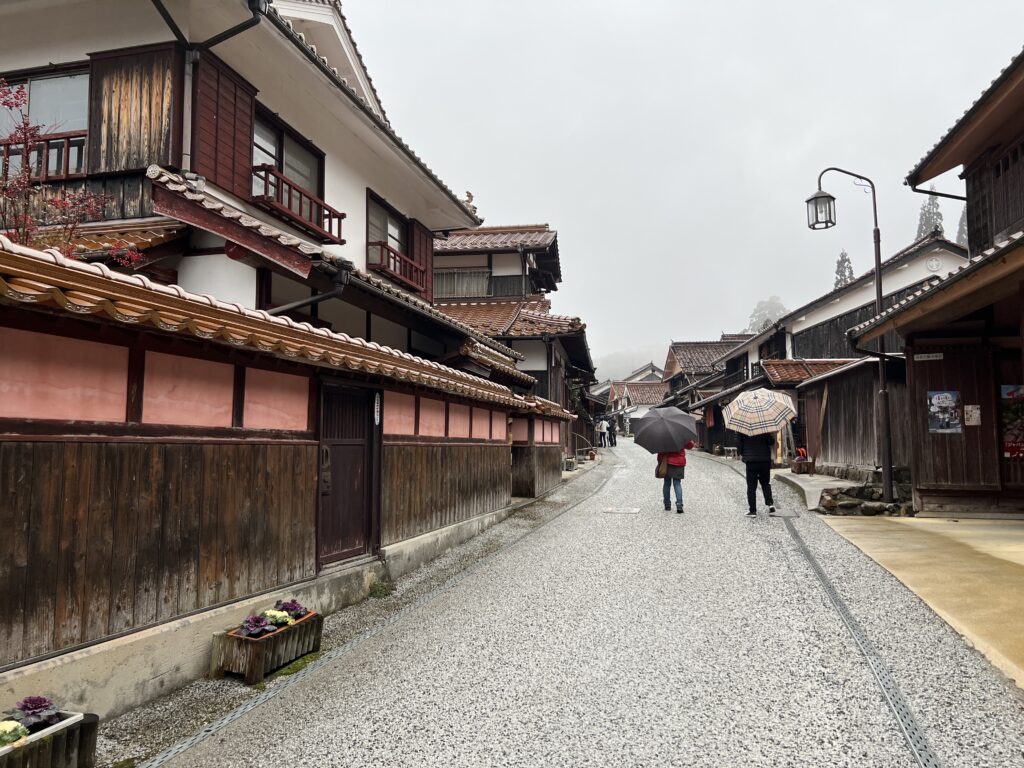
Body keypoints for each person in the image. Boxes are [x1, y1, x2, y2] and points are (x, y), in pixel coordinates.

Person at [737, 431, 776, 517]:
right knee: (765, 483)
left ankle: (753, 511)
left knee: (751, 486)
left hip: (751, 462)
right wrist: (771, 435)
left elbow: (739, 446)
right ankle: (770, 504)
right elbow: (771, 442)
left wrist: (743, 454)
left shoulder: (743, 429)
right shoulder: (764, 428)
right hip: (764, 460)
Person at [657, 440, 696, 513]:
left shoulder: (663, 436)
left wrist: (660, 461)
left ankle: (667, 504)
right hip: (679, 462)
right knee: (677, 483)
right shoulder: (681, 435)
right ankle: (679, 504)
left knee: (667, 483)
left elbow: (660, 452)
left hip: (667, 463)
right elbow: (690, 446)